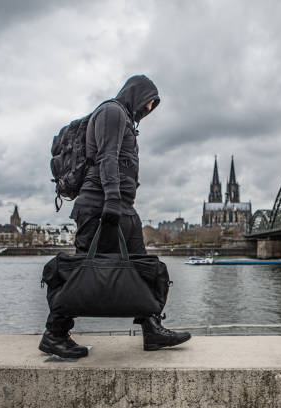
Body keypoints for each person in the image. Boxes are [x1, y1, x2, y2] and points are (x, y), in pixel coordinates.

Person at [39, 75, 191, 358]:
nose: (148, 109)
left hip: (119, 204)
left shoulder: (123, 118)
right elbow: (107, 157)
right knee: (83, 270)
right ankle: (55, 334)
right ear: (136, 93)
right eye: (148, 102)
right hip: (100, 203)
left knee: (141, 265)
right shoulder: (112, 112)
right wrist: (110, 199)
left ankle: (152, 327)